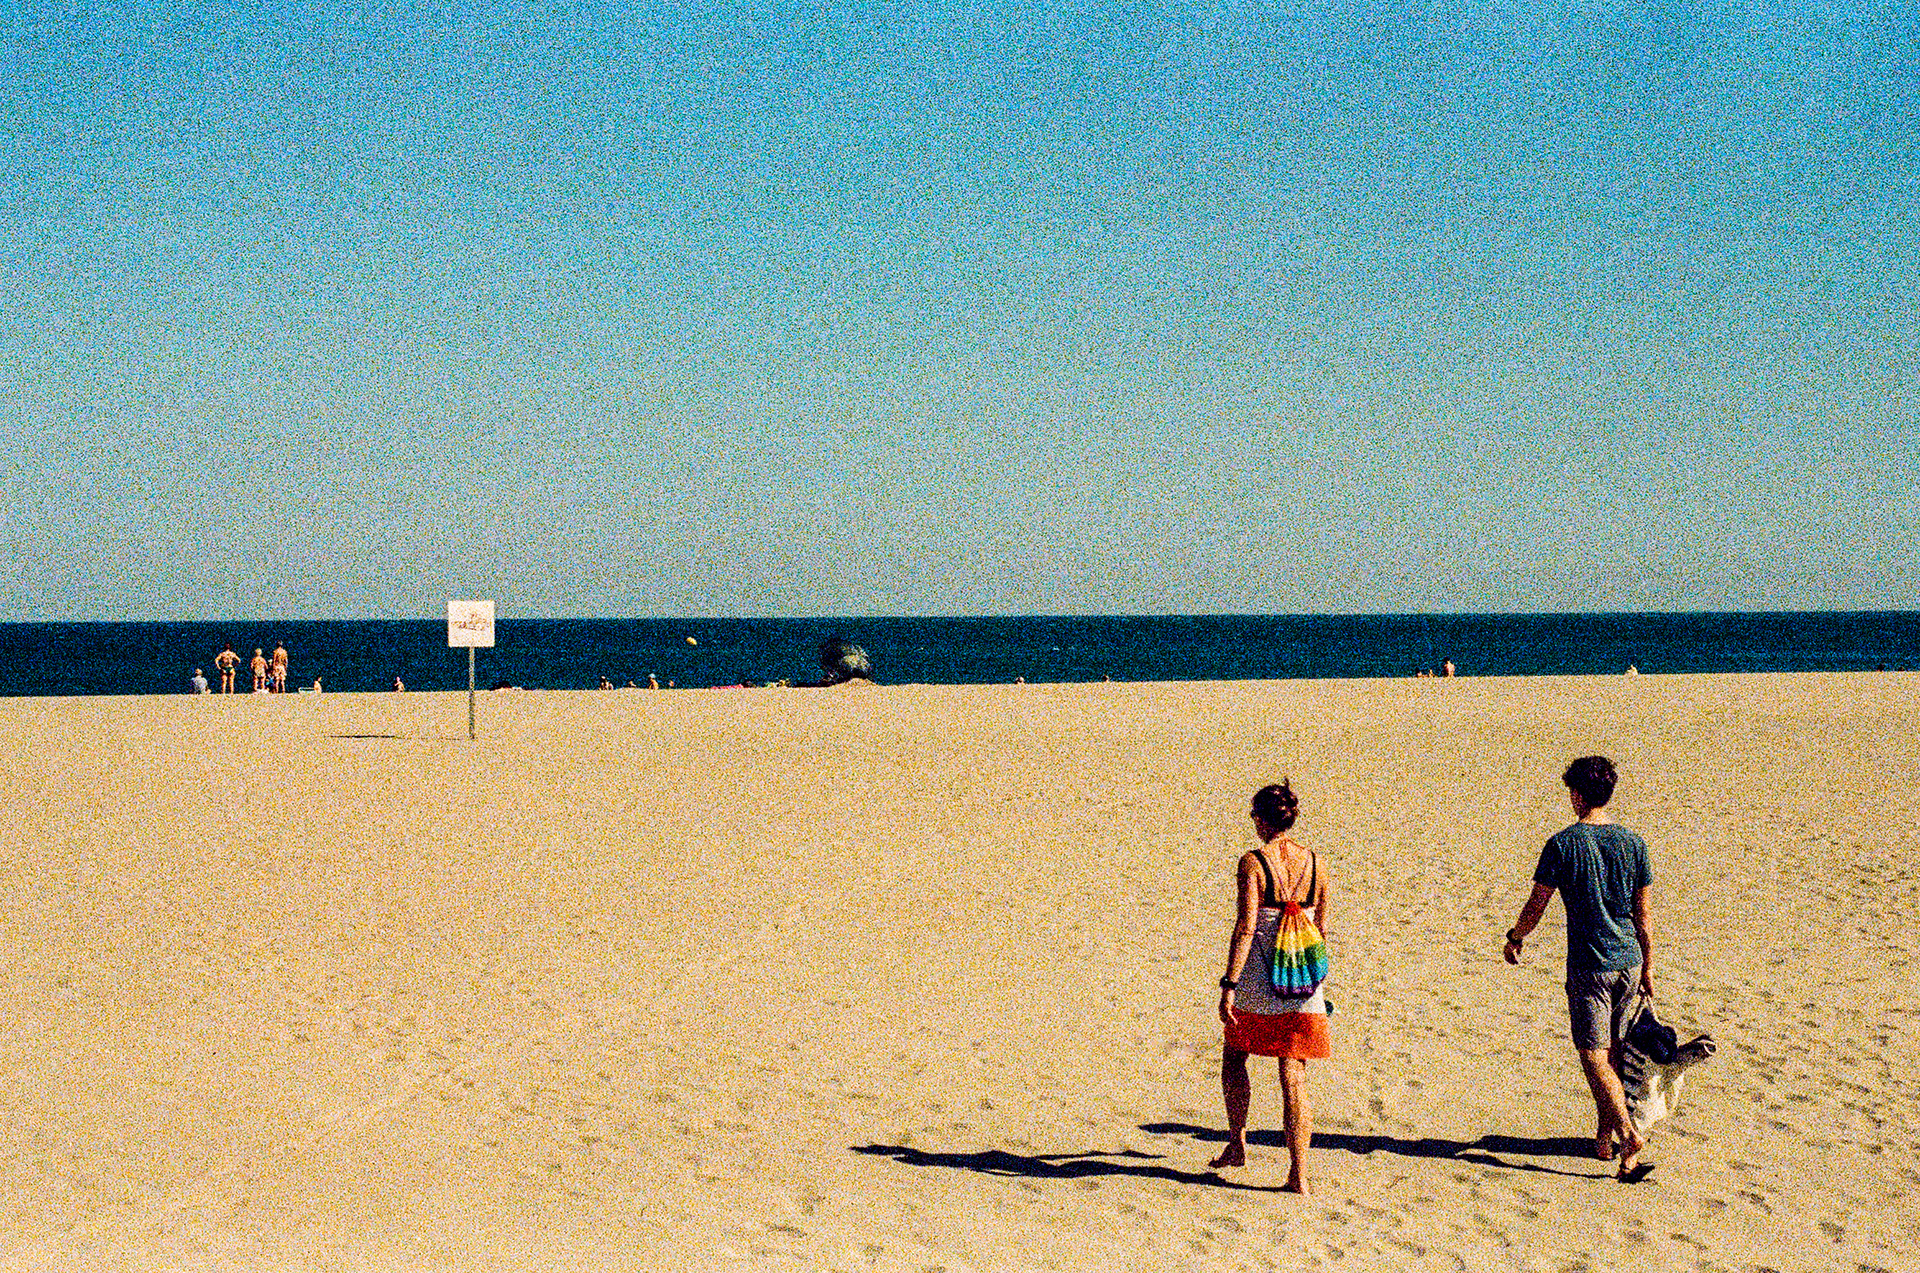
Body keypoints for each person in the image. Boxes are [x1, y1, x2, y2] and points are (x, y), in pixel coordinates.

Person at [1503, 755, 1656, 1182]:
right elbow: (1644, 916)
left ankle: (1628, 1134)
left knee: (1593, 1055)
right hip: (1629, 959)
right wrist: (1649, 969)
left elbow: (1538, 902)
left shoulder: (1563, 844)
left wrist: (1516, 937)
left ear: (1576, 794)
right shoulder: (1633, 843)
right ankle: (1605, 1138)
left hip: (1591, 964)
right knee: (1613, 1053)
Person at [1213, 781, 1332, 1192]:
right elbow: (1321, 929)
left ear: (1263, 819)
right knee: (1293, 1071)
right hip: (1300, 974)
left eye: (1253, 814)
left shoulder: (1253, 862)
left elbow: (1246, 926)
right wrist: (1315, 983)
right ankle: (1299, 1174)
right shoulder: (1316, 862)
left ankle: (1237, 1143)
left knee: (1234, 1056)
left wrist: (1229, 983)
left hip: (1260, 973)